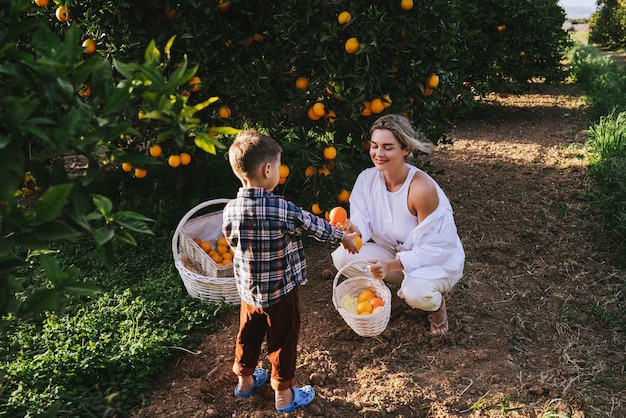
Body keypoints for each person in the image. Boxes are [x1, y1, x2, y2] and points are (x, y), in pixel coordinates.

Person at [222, 129, 359, 412]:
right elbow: (315, 226)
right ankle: (284, 395)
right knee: (283, 339)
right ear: (268, 168)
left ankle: (245, 381)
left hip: (249, 292)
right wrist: (342, 237)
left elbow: (231, 241)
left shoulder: (230, 210)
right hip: (281, 292)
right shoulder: (282, 208)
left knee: (247, 333)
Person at [331, 114, 465, 336]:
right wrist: (351, 229)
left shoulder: (421, 189)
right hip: (397, 252)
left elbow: (436, 248)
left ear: (405, 149)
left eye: (387, 147)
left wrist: (390, 266)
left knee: (416, 293)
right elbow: (362, 222)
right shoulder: (366, 179)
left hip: (436, 261)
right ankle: (391, 301)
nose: (378, 154)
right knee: (342, 256)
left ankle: (437, 306)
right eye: (374, 146)